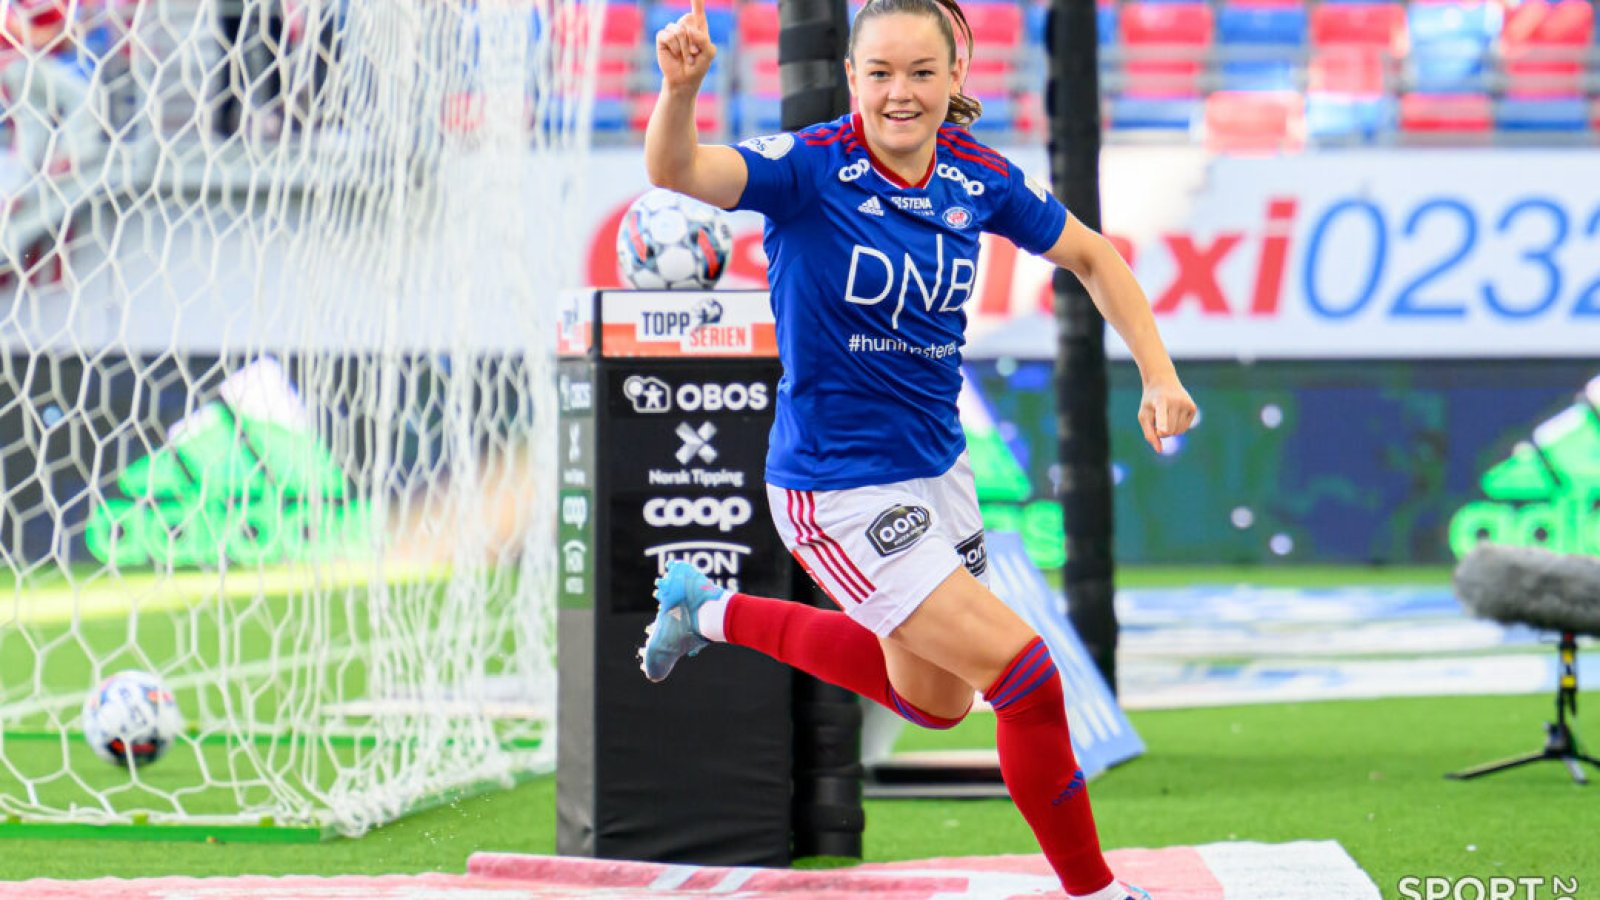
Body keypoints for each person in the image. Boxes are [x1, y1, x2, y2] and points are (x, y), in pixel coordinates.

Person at [638, 0, 1196, 896]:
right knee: (1027, 678)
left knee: (937, 704)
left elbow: (1095, 258)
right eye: (882, 73)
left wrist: (1159, 376)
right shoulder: (810, 169)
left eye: (922, 73)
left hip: (938, 474)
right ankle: (1097, 891)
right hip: (837, 489)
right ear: (853, 78)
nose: (902, 93)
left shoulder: (978, 175)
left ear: (954, 79)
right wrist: (681, 88)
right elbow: (676, 168)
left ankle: (706, 611)